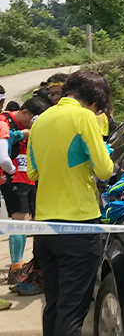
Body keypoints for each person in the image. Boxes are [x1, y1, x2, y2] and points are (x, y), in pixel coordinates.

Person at [28, 70, 114, 336]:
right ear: (94, 101)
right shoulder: (84, 117)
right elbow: (104, 170)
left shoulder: (41, 120)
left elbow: (32, 172)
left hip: (44, 226)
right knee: (73, 309)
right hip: (78, 224)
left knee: (53, 304)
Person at [0, 97, 50, 286]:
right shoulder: (4, 121)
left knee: (28, 221)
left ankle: (25, 265)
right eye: (34, 120)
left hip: (29, 177)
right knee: (19, 221)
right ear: (25, 113)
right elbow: (2, 152)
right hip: (13, 178)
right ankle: (16, 268)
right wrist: (20, 135)